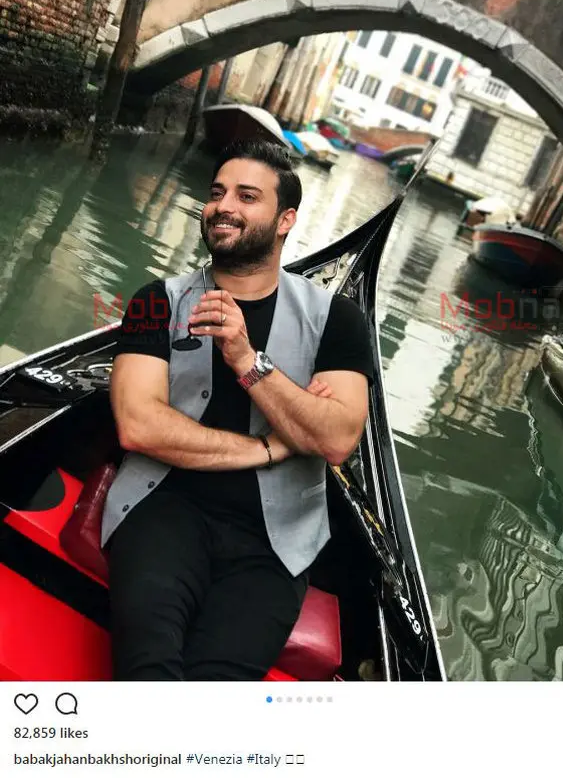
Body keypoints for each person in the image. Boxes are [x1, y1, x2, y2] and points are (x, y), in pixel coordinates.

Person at [104, 138, 374, 681]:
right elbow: (138, 426)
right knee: (148, 668)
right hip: (163, 507)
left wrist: (248, 361)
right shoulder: (157, 301)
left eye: (247, 196)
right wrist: (270, 446)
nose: (223, 206)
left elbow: (336, 439)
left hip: (275, 541)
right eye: (217, 193)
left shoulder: (338, 321)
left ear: (285, 220)